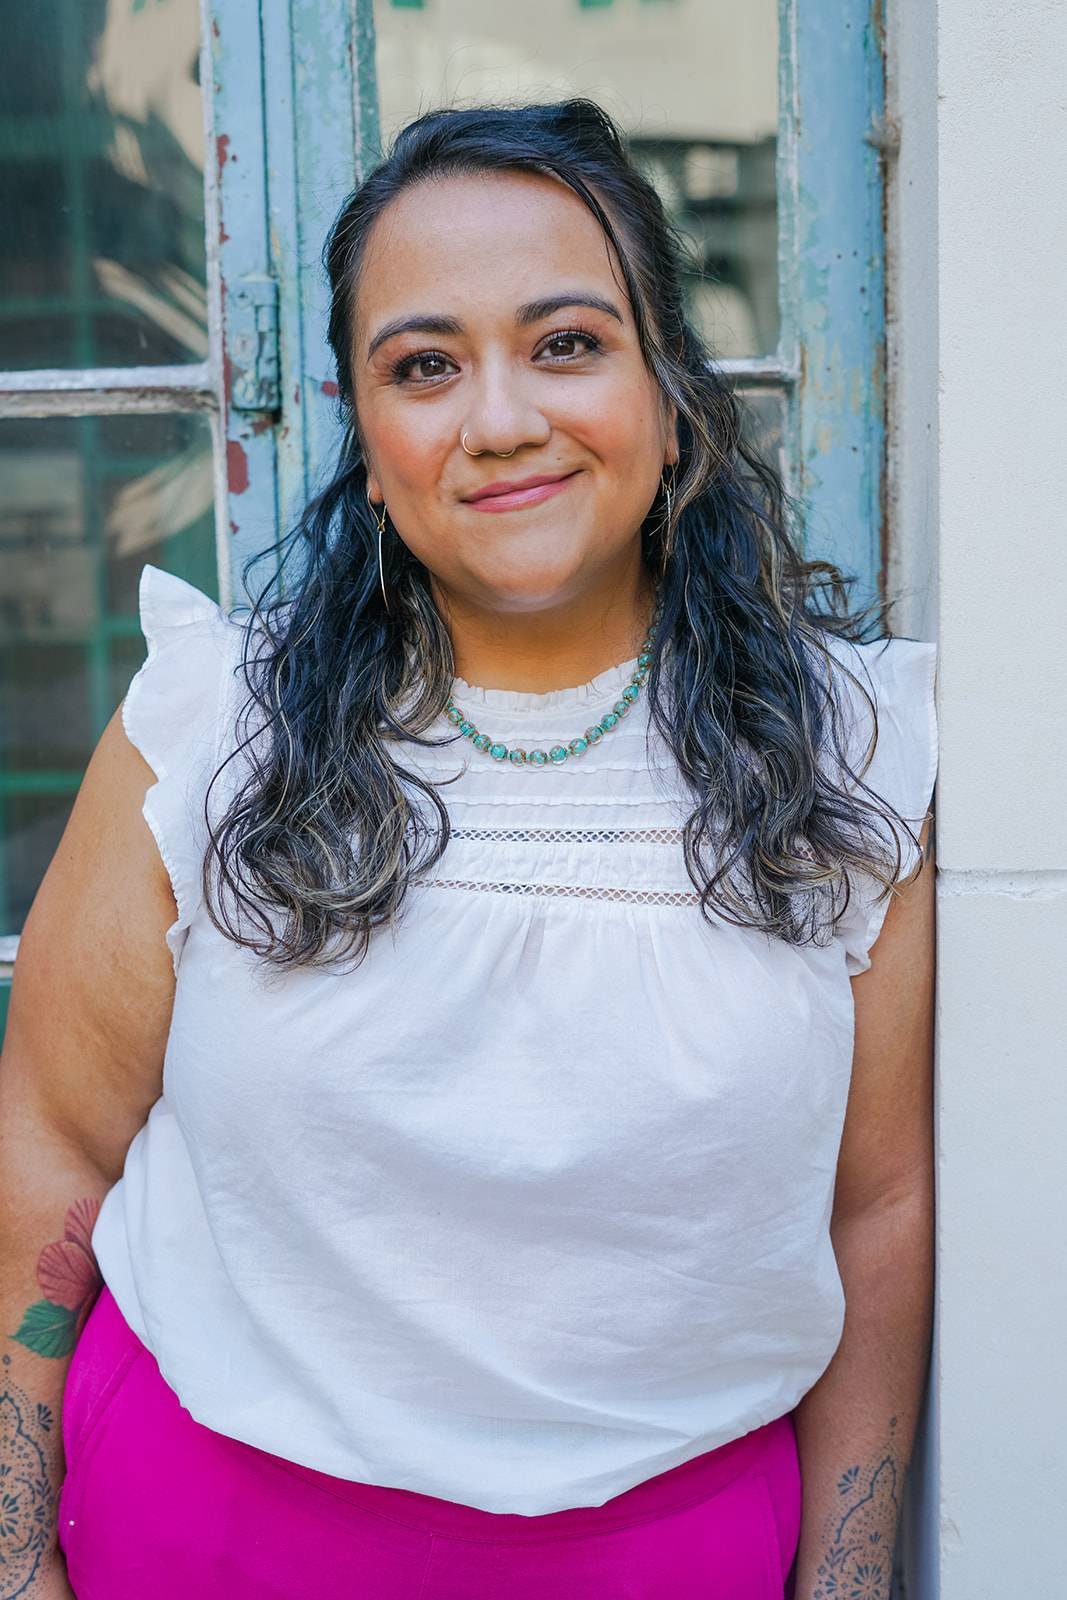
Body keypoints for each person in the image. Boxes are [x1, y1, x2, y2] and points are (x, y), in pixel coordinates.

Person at [0, 99, 937, 1600]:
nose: (500, 419)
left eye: (566, 343)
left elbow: (876, 1207)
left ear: (671, 391)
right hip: (207, 1535)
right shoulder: (213, 726)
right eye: (424, 367)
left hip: (670, 1556)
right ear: (369, 442)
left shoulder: (850, 754)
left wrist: (848, 1576)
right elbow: (49, 1146)